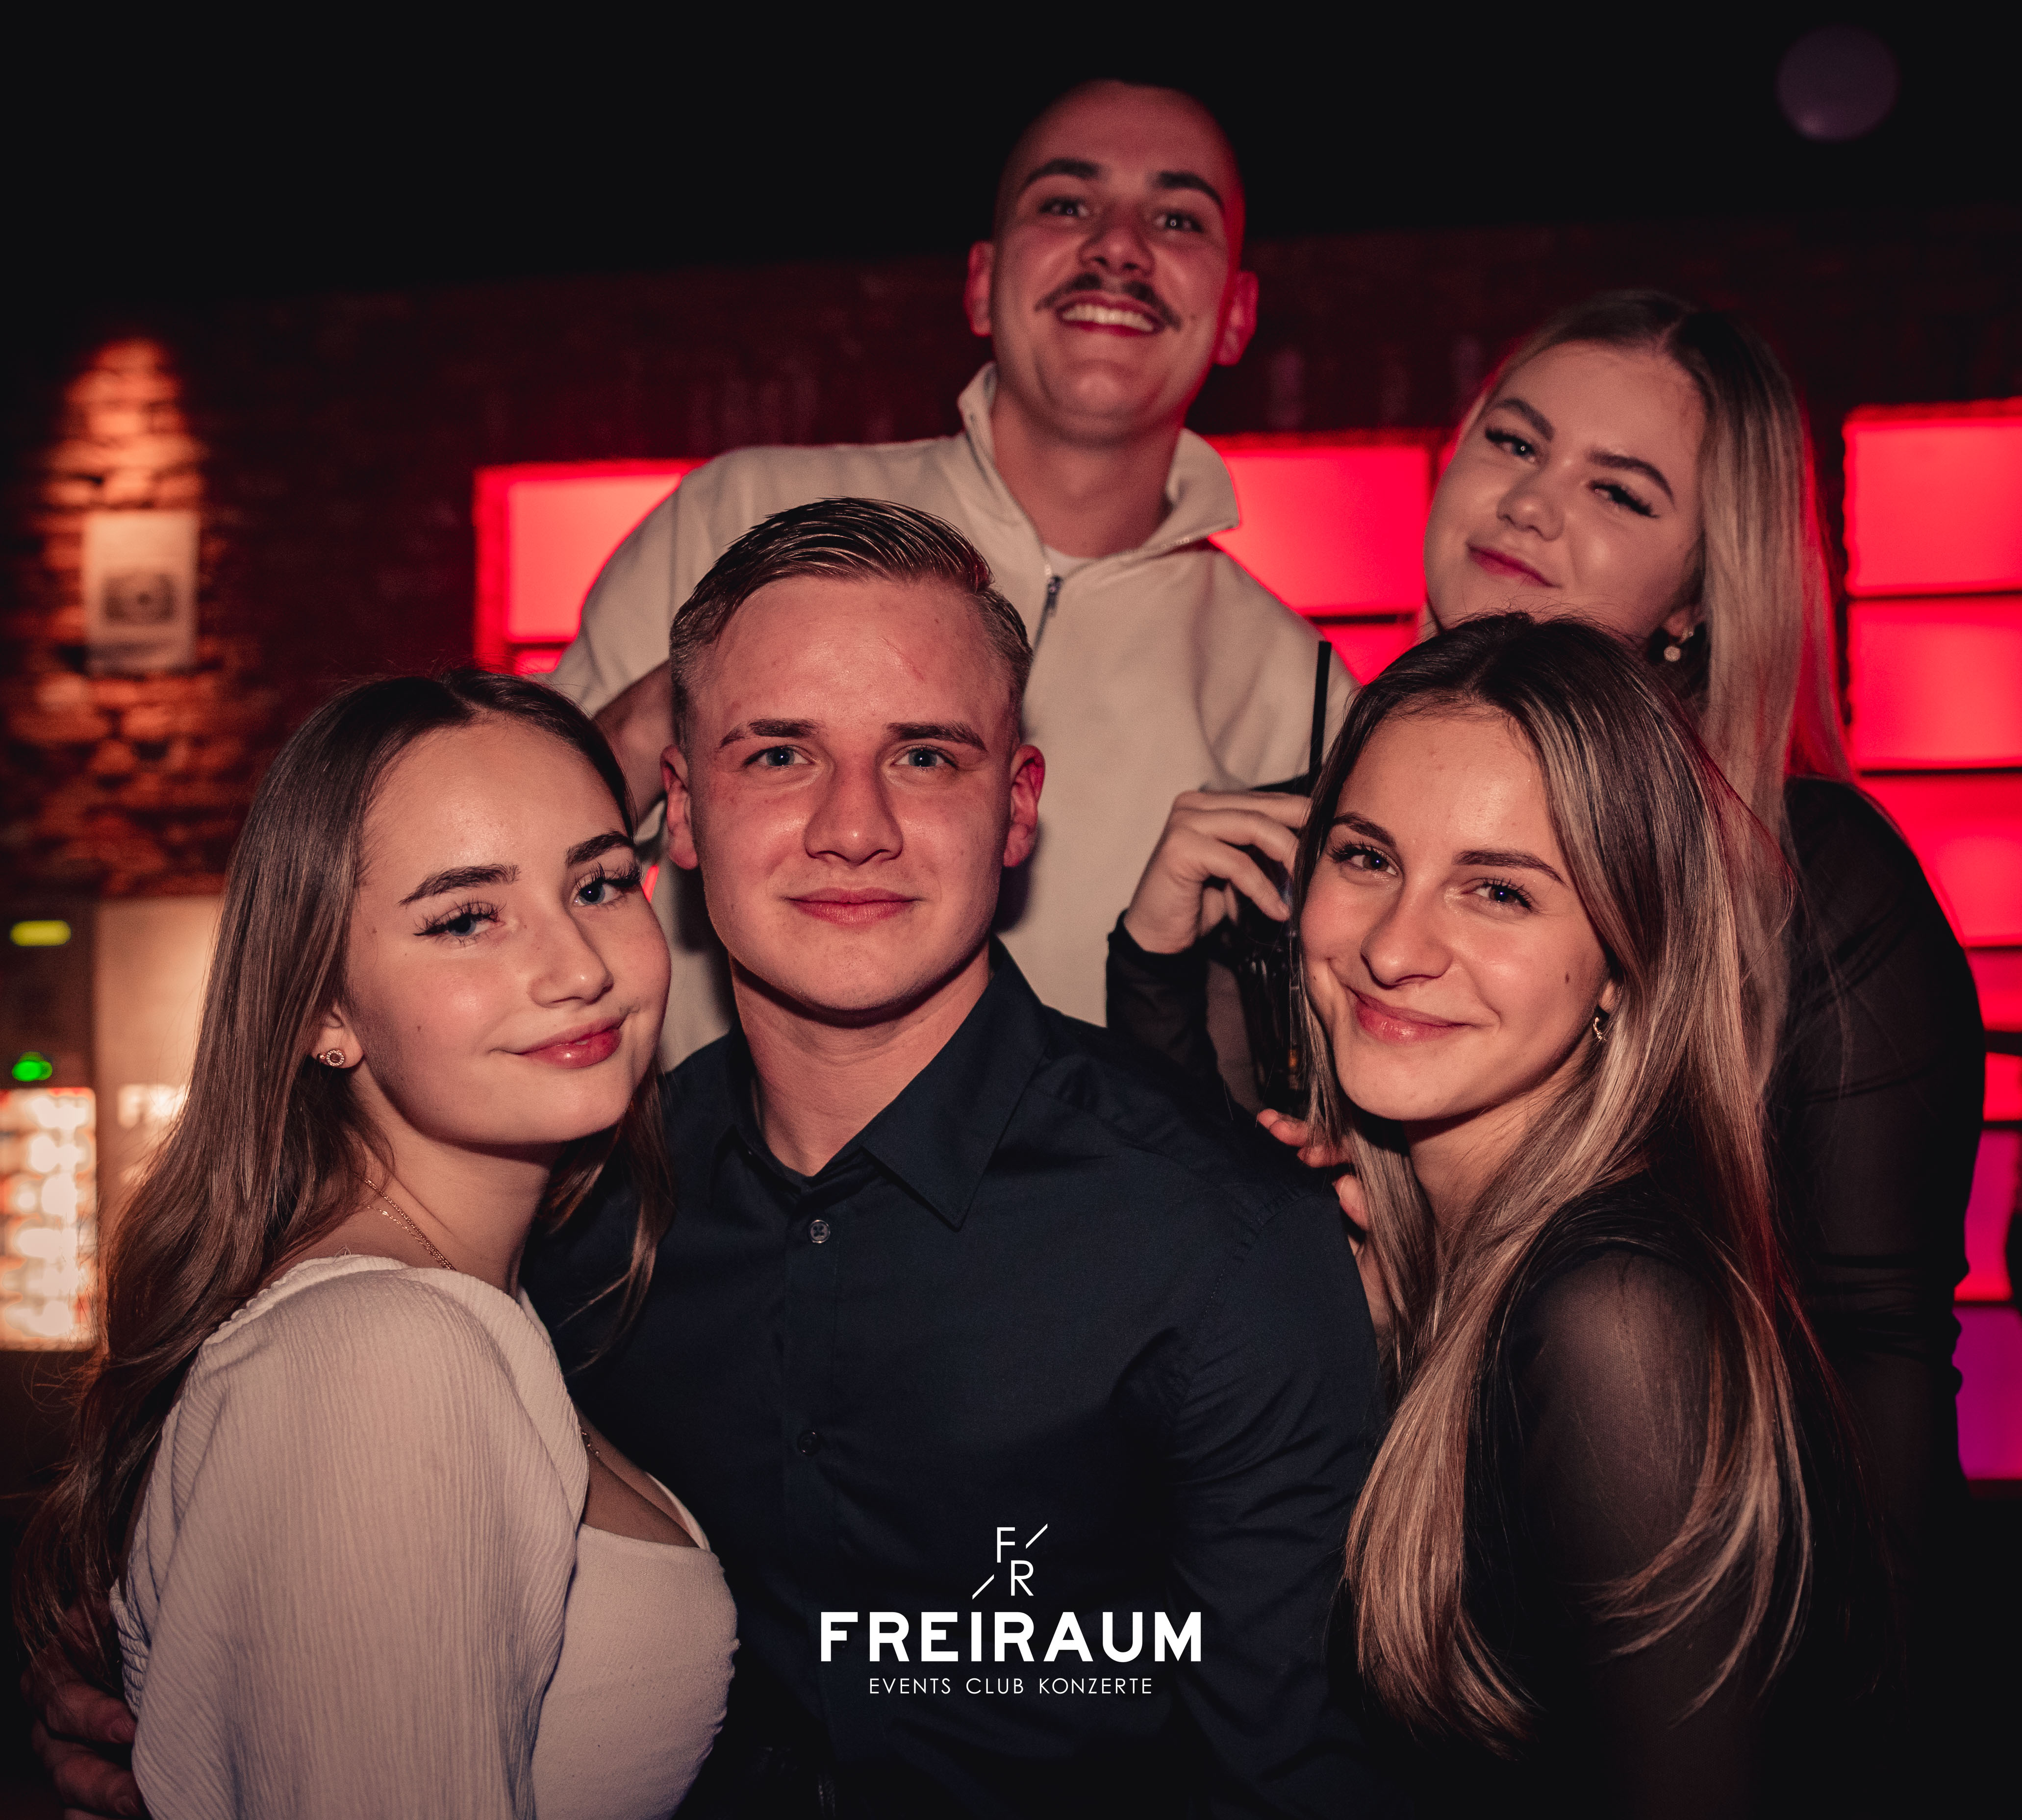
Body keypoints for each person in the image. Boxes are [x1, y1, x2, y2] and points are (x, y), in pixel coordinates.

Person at [1109, 291, 1981, 1682]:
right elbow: (1200, 1258)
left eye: (1618, 490)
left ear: (1701, 592)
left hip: (1713, 1615)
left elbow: (1879, 1352)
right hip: (1378, 1591)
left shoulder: (1809, 877)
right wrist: (1155, 962)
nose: (1530, 502)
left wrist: (1890, 1715)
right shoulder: (1320, 846)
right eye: (1513, 443)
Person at [524, 499, 1395, 1816]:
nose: (853, 825)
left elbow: (1299, 1783)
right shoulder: (585, 1214)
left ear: (1016, 807)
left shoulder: (1217, 1243)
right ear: (683, 810)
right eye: (779, 755)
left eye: (924, 755)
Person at [16, 673, 735, 1819]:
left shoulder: (479, 1296)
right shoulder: (382, 1353)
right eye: (466, 917)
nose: (579, 966)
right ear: (324, 1011)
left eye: (598, 883)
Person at [556, 76, 1349, 1062]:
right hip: (707, 1161)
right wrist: (683, 697)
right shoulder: (733, 513)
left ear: (1235, 316)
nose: (1118, 246)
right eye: (1066, 204)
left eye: (1178, 218)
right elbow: (513, 856)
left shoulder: (1302, 693)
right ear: (979, 284)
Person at [1288, 612, 1851, 1813]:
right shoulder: (1453, 1262)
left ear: (1624, 955)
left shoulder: (1617, 1316)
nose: (1393, 946)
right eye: (1366, 857)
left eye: (1497, 890)